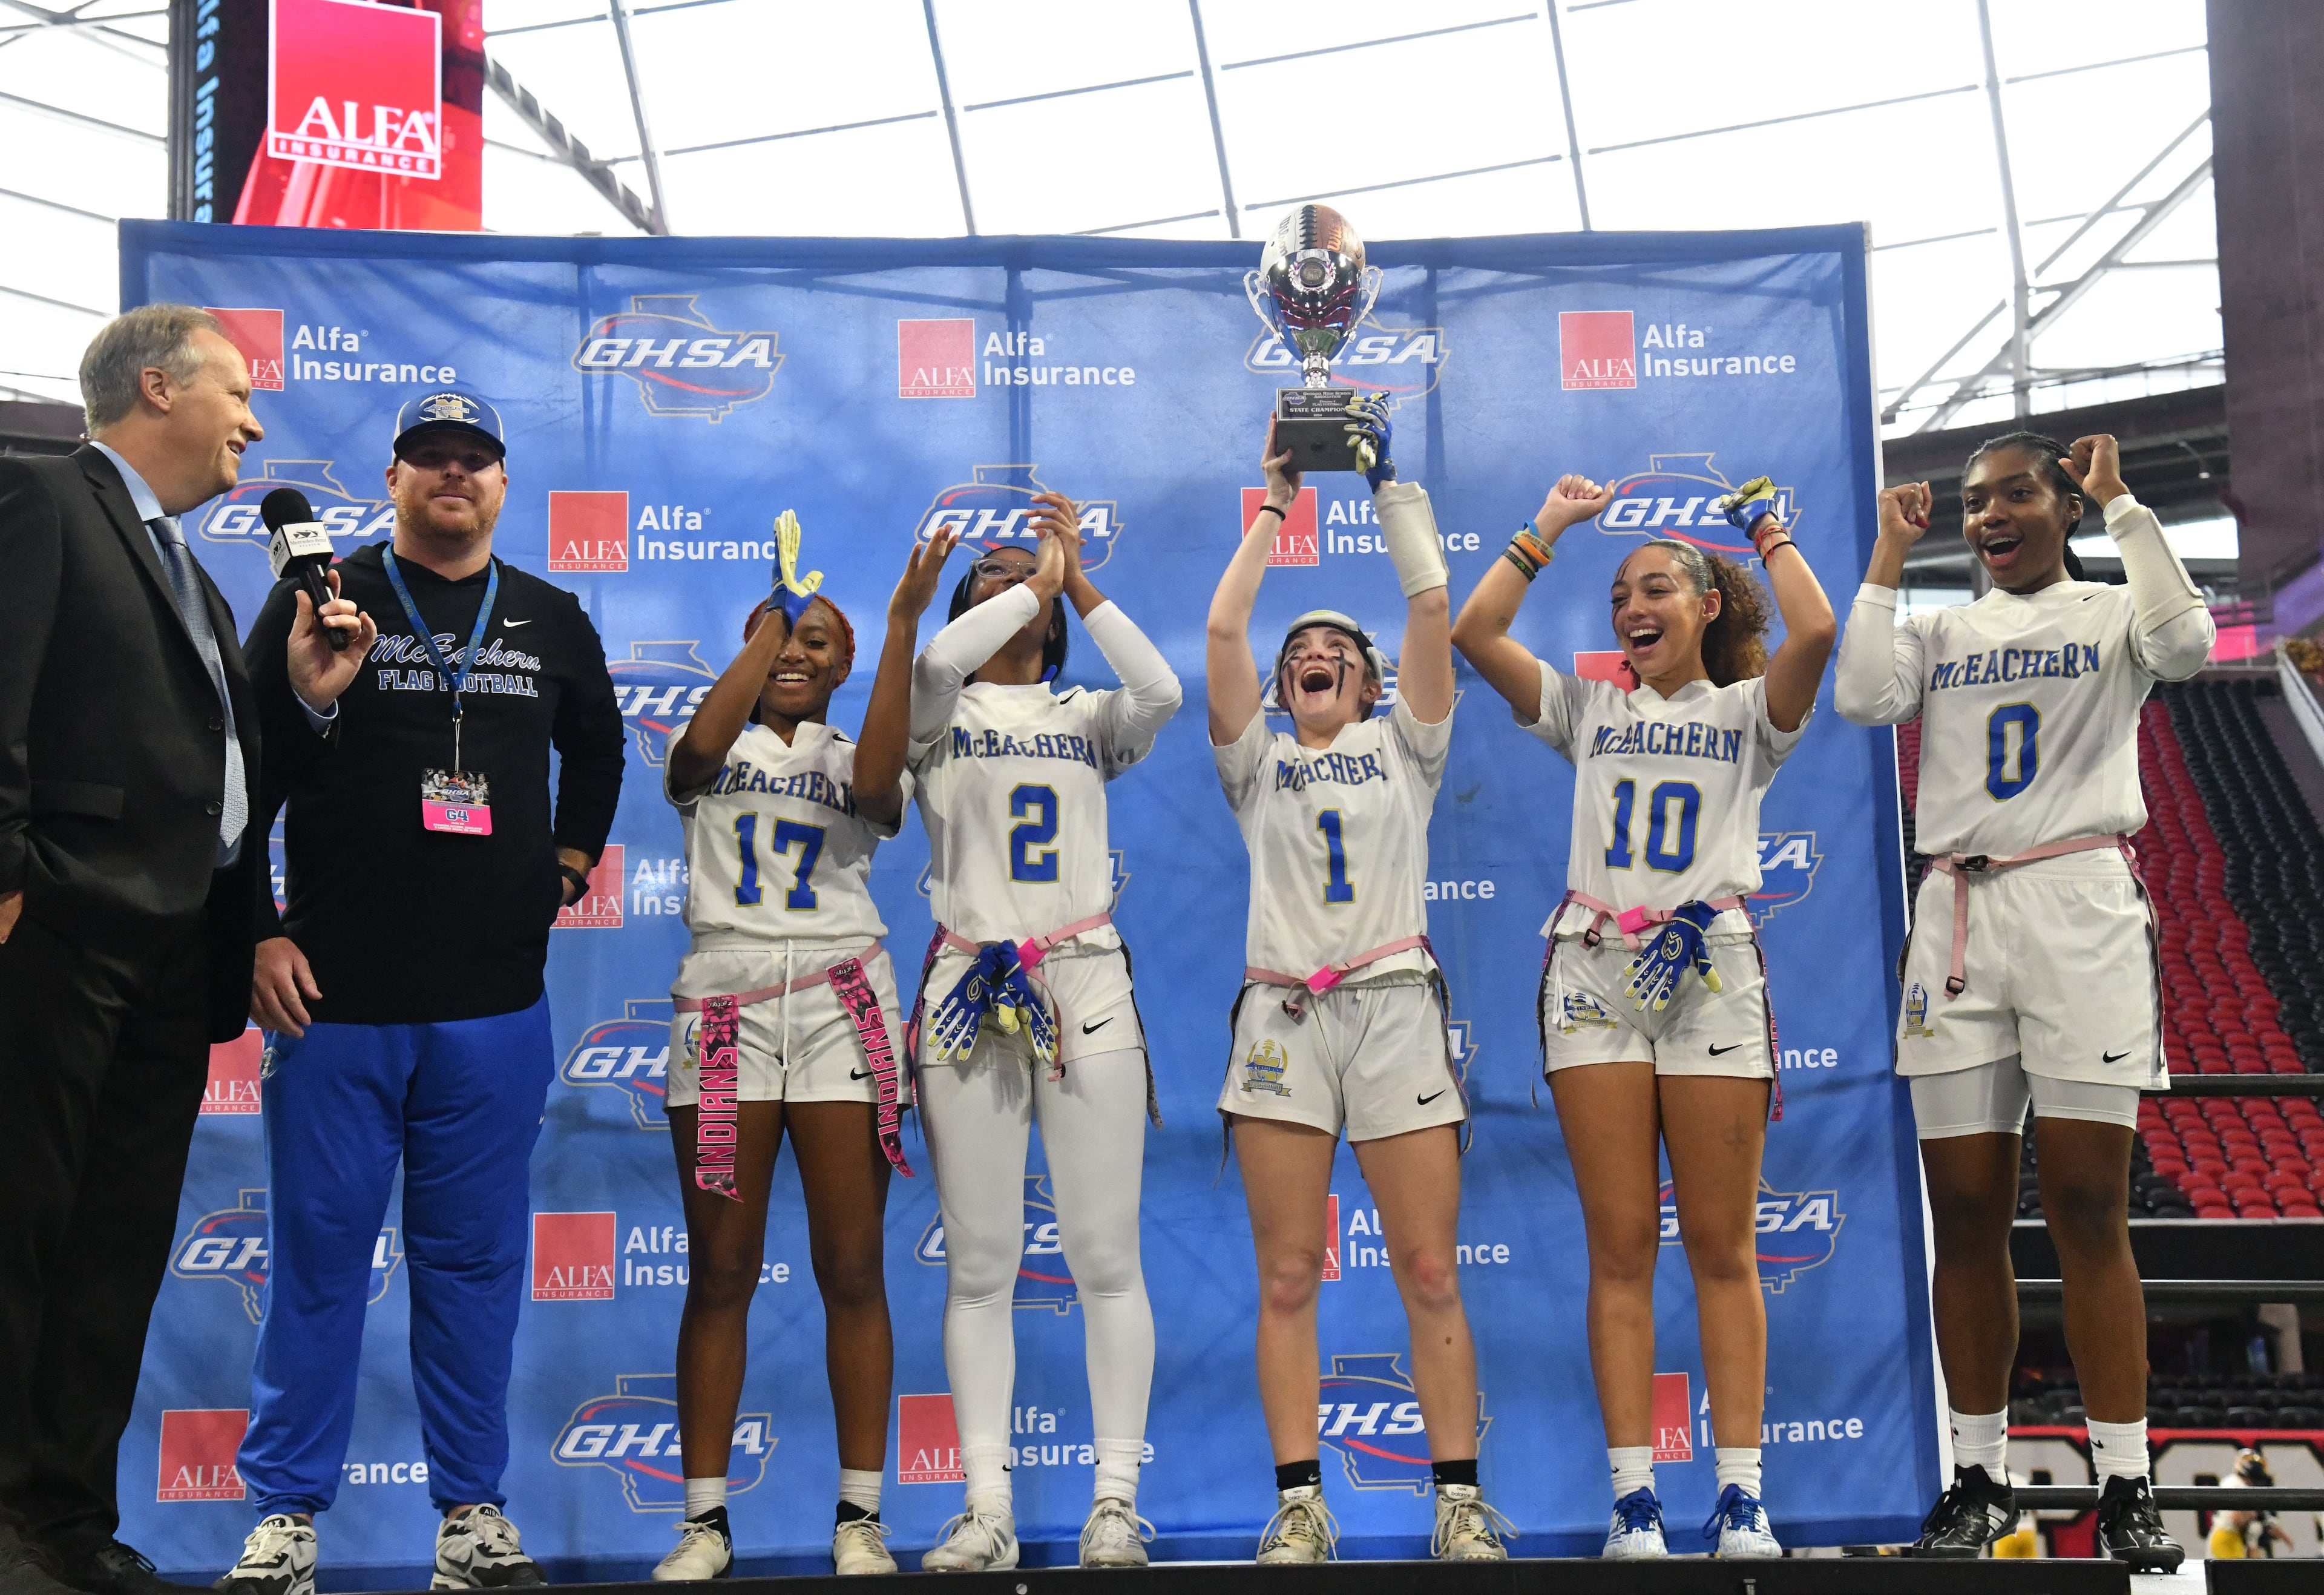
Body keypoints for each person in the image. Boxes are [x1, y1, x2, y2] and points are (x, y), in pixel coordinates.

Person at [216, 392, 625, 1595]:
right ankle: (286, 1519)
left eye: (476, 461)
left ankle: (472, 1516)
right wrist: (253, 932)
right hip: (334, 1002)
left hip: (493, 1007)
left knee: (475, 1266)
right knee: (320, 1264)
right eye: (430, 459)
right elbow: (241, 770)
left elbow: (597, 747)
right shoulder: (320, 601)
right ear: (392, 478)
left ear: (502, 484)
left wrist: (568, 856)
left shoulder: (551, 615)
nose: (455, 476)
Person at [1834, 432, 2209, 1571]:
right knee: (1964, 1213)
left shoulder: (2112, 614)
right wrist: (1890, 558)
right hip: (1956, 914)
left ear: (2064, 503)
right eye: (1971, 502)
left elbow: (2189, 643)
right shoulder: (1942, 629)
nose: (1988, 515)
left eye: (2014, 495)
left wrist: (2126, 505)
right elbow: (1857, 694)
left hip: (2078, 902)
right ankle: (1980, 1476)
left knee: (2091, 1206)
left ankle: (2127, 1481)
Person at [1451, 471, 1836, 1560]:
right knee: (1619, 1249)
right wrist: (1547, 531)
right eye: (1620, 595)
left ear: (1707, 604)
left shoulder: (1752, 713)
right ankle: (1634, 1503)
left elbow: (1817, 624)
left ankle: (1743, 1497)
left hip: (1710, 967)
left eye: (1656, 587)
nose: (1632, 609)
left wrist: (1763, 526)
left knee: (1722, 1248)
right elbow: (1479, 631)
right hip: (1593, 972)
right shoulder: (1588, 707)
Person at [0, 305, 313, 1595]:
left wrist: (295, 694)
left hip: (170, 962)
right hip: (57, 934)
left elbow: (222, 789)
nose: (253, 420)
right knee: (20, 1234)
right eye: (236, 392)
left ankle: (65, 1526)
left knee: (113, 1255)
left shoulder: (198, 570)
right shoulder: (41, 500)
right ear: (155, 385)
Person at [851, 493, 1180, 1572]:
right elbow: (939, 661)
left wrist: (1076, 580)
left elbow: (1163, 689)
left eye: (1019, 576)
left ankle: (1116, 1503)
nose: (1006, 579)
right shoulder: (935, 710)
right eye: (983, 576)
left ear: (1054, 625)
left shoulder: (1088, 715)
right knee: (982, 1265)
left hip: (1083, 980)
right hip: (967, 984)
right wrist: (1036, 584)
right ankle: (985, 1508)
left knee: (1104, 1255)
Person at [1205, 407, 1509, 1564]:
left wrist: (1387, 484)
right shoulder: (1257, 762)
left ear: (1373, 681)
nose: (1307, 655)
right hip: (1283, 1015)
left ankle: (1457, 1503)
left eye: (1332, 649)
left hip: (1391, 1013)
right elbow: (1226, 625)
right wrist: (1277, 500)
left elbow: (1432, 605)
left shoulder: (1405, 748)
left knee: (1430, 1267)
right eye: (1297, 656)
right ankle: (1298, 1504)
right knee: (1287, 1274)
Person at [647, 519, 913, 1581]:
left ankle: (861, 1517)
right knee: (720, 1268)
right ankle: (704, 1522)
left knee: (853, 1264)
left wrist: (890, 625)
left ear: (845, 667)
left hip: (845, 1000)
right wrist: (770, 622)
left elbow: (887, 794)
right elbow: (696, 753)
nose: (798, 653)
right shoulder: (712, 744)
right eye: (781, 639)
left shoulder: (859, 754)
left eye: (818, 642)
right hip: (727, 1011)